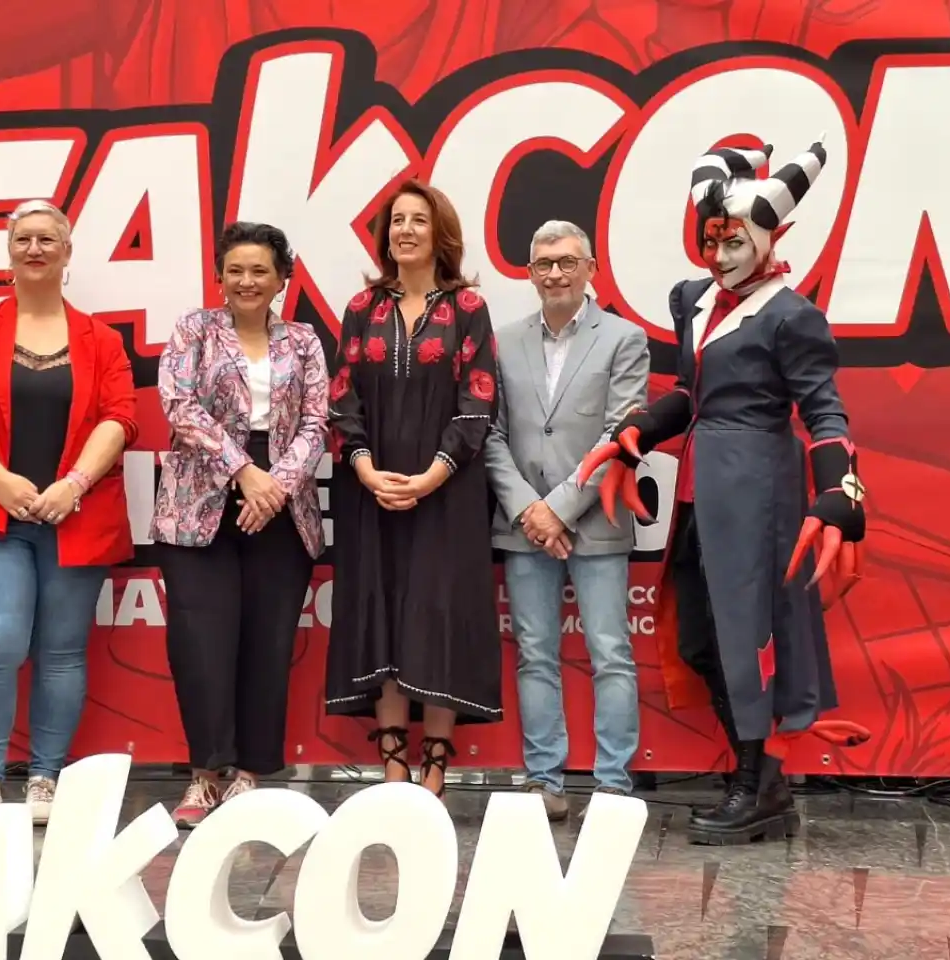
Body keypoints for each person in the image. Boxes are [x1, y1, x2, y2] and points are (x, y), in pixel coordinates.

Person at [576, 140, 872, 845]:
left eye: (733, 241)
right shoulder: (695, 301)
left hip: (760, 491)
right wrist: (639, 430)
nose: (719, 255)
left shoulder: (791, 314)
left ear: (769, 237)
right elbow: (691, 393)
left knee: (752, 637)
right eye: (710, 240)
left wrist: (840, 491)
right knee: (700, 639)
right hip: (701, 489)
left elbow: (823, 410)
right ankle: (759, 779)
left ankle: (758, 783)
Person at [0, 199, 138, 822]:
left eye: (48, 238)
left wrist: (74, 483)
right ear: (9, 252)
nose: (35, 248)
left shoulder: (102, 340)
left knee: (62, 651)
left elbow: (120, 418)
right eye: (23, 238)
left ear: (67, 252)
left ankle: (46, 777)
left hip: (77, 515)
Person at [324, 179, 502, 798]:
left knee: (437, 613)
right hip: (371, 492)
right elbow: (341, 397)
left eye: (418, 220)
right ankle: (393, 759)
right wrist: (365, 468)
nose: (405, 230)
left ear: (440, 233)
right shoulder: (362, 308)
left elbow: (478, 401)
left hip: (446, 495)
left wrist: (431, 477)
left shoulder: (468, 308)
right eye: (396, 220)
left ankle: (437, 763)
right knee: (383, 611)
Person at [152, 222, 329, 827]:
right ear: (220, 277)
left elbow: (316, 422)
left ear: (282, 280)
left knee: (266, 643)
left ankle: (250, 774)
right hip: (198, 505)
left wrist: (274, 485)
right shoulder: (194, 330)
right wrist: (243, 472)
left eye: (260, 271)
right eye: (236, 270)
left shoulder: (303, 340)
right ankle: (204, 776)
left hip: (281, 506)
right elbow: (180, 407)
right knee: (201, 645)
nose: (247, 281)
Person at [484, 220, 649, 821]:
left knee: (610, 652)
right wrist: (529, 509)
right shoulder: (504, 342)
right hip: (523, 523)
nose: (555, 273)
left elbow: (620, 434)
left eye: (567, 262)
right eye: (543, 264)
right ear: (530, 273)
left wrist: (558, 508)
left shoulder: (624, 339)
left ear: (590, 269)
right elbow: (491, 436)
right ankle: (543, 780)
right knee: (535, 653)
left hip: (596, 521)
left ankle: (613, 784)